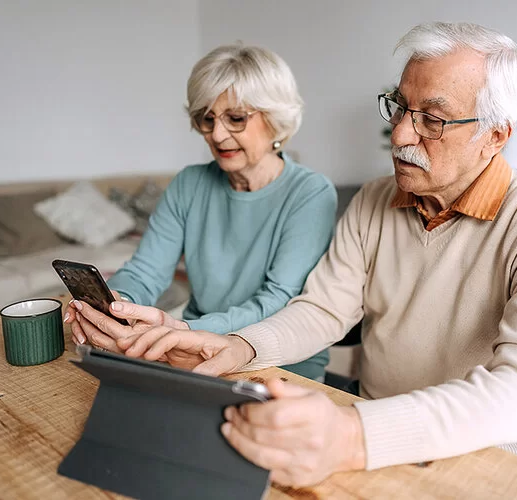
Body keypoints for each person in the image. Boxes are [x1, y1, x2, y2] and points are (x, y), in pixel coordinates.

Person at [76, 21, 517, 487]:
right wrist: (235, 346)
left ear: (494, 137)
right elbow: (322, 309)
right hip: (372, 417)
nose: (400, 134)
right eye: (399, 107)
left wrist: (352, 434)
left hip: (493, 447)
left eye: (432, 120)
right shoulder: (373, 199)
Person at [65, 43, 336, 381]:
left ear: (275, 119)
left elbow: (277, 301)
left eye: (235, 118)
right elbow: (146, 270)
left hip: (275, 359)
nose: (217, 135)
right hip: (188, 348)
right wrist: (118, 303)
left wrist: (183, 329)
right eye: (206, 119)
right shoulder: (189, 184)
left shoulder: (310, 193)